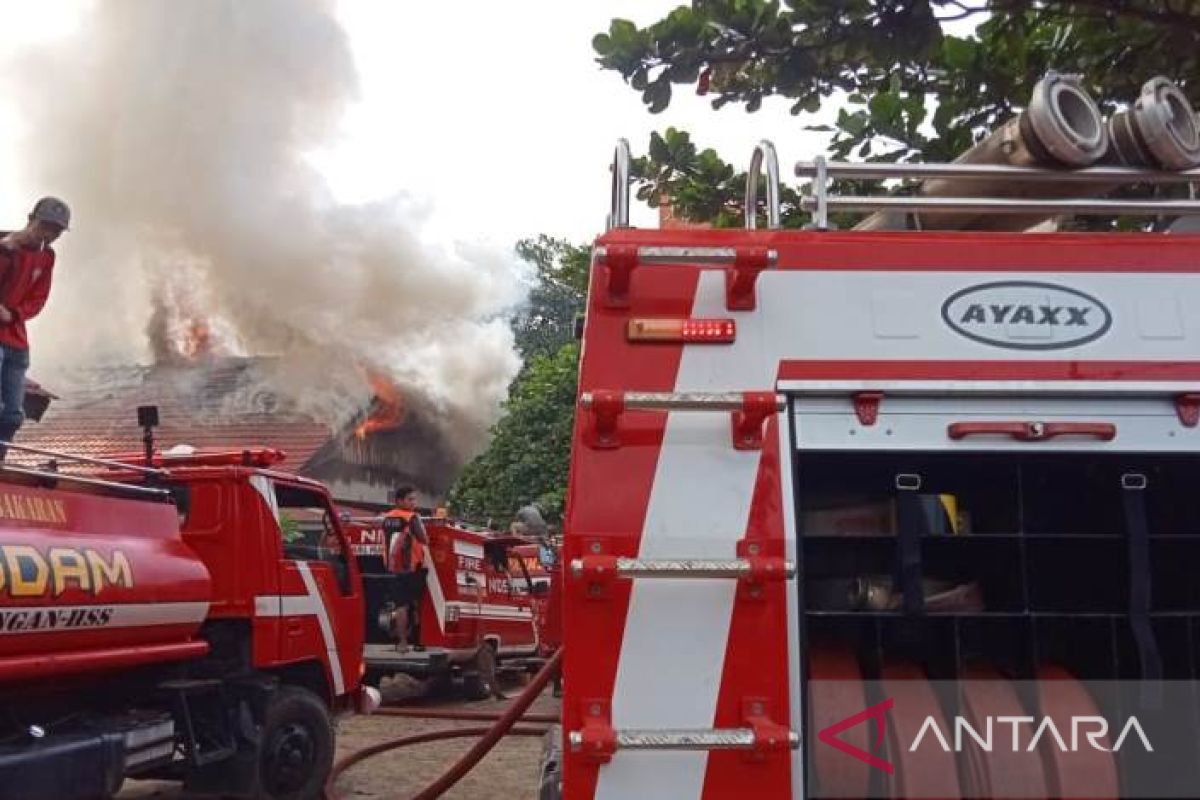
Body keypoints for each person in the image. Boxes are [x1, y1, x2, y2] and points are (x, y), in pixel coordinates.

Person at [0, 197, 69, 458]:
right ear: (31, 220)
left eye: (56, 231)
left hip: (15, 340)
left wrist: (13, 314)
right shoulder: (4, 245)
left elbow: (38, 299)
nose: (49, 235)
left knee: (12, 414)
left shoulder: (47, 257)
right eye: (46, 227)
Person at [383, 485, 429, 652]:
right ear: (399, 500)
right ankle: (418, 641)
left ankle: (402, 643)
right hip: (411, 568)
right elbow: (424, 539)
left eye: (414, 499)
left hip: (392, 569)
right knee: (416, 605)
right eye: (410, 499)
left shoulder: (386, 518)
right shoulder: (412, 518)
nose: (413, 503)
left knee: (400, 606)